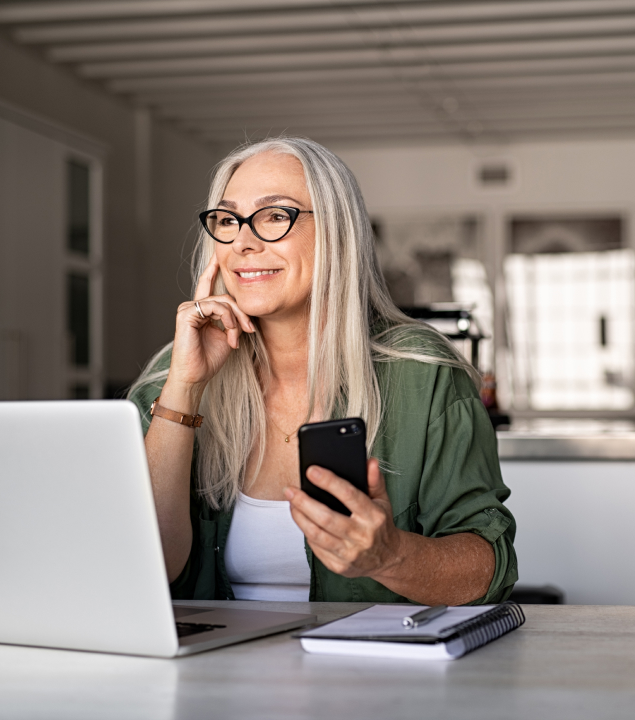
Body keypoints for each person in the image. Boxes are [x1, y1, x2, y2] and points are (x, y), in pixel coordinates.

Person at [128, 137, 517, 605]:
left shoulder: (421, 373)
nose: (244, 242)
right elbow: (141, 567)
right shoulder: (171, 378)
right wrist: (185, 389)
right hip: (208, 675)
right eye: (228, 221)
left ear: (337, 232)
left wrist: (389, 556)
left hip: (370, 673)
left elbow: (487, 569)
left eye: (275, 216)